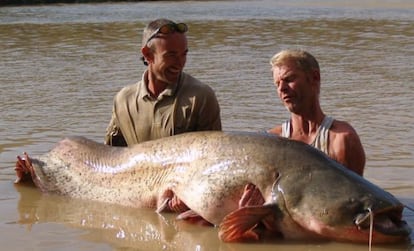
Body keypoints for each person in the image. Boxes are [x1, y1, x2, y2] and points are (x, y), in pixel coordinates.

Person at [104, 18, 222, 146]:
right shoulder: (123, 100)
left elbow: (213, 155)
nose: (180, 63)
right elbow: (109, 156)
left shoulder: (201, 97)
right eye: (171, 55)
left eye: (184, 54)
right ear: (148, 54)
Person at [267, 49, 366, 176]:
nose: (282, 88)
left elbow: (358, 194)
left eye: (289, 79)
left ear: (314, 77)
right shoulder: (273, 142)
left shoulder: (342, 139)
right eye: (277, 84)